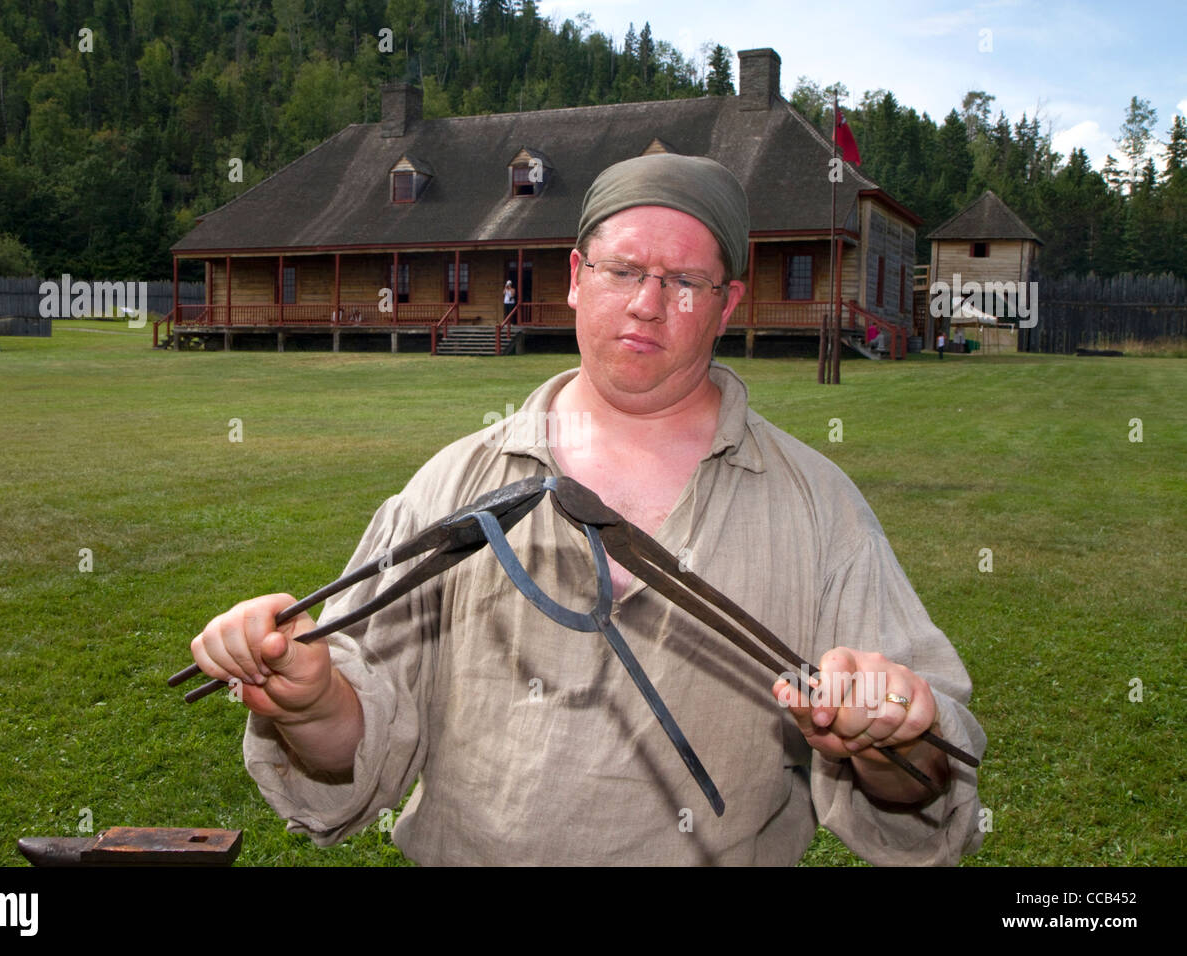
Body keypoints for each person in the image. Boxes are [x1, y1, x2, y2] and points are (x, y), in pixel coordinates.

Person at [190, 153, 985, 865]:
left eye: (684, 282)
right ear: (575, 277)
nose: (646, 303)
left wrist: (889, 737)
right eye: (622, 271)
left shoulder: (818, 508)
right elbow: (349, 749)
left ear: (729, 302)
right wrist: (312, 697)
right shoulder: (454, 483)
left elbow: (921, 791)